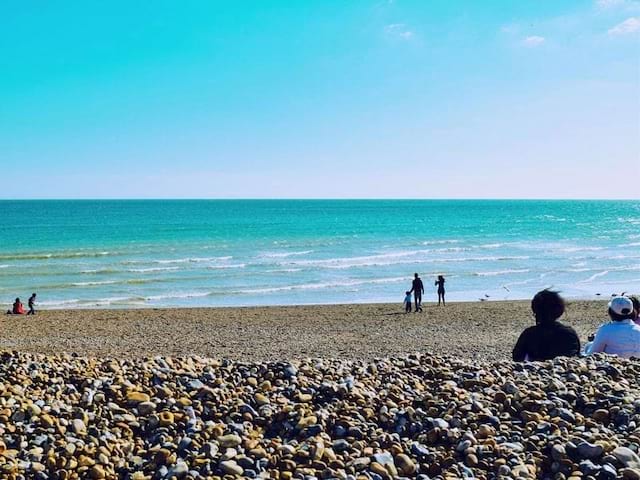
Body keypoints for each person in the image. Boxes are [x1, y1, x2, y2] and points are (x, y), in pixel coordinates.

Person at [512, 289, 580, 362]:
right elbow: (575, 355)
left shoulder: (529, 334)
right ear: (560, 311)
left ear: (535, 310)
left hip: (537, 371)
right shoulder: (569, 333)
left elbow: (517, 358)